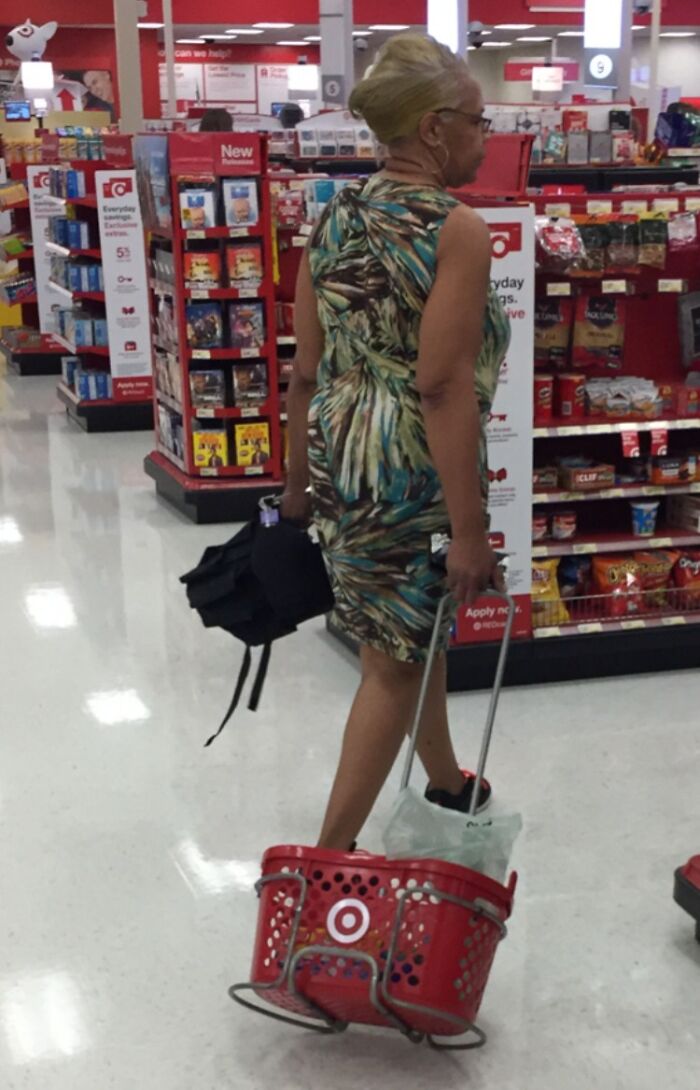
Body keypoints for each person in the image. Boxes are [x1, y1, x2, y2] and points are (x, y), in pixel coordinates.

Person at [282, 34, 510, 852]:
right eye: (480, 121)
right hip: (407, 465)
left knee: (409, 631)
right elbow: (441, 386)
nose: (489, 137)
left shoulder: (332, 215)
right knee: (390, 664)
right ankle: (323, 868)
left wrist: (296, 486)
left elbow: (304, 371)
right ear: (435, 128)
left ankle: (447, 783)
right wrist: (472, 530)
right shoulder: (458, 229)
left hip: (342, 448)